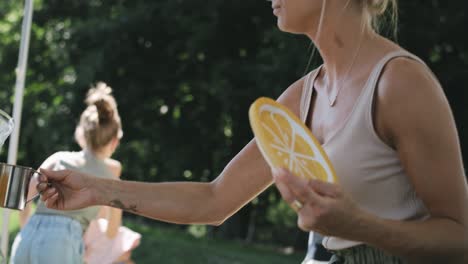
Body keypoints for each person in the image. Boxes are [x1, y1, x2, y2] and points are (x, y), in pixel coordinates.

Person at [37, 0, 468, 263]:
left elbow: (459, 237)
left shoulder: (400, 83)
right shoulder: (303, 97)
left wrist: (360, 226)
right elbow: (214, 199)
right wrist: (95, 189)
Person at [11, 83, 127, 264]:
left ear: (81, 133)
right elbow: (112, 232)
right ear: (114, 142)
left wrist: (27, 228)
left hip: (28, 236)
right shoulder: (110, 177)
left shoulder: (58, 158)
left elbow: (25, 194)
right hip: (63, 243)